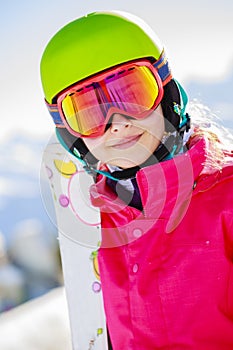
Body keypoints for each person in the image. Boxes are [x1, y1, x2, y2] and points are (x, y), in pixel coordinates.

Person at [40, 11, 233, 349]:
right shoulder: (93, 225)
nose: (116, 122)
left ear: (168, 94)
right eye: (88, 111)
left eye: (132, 93)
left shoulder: (226, 197)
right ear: (71, 136)